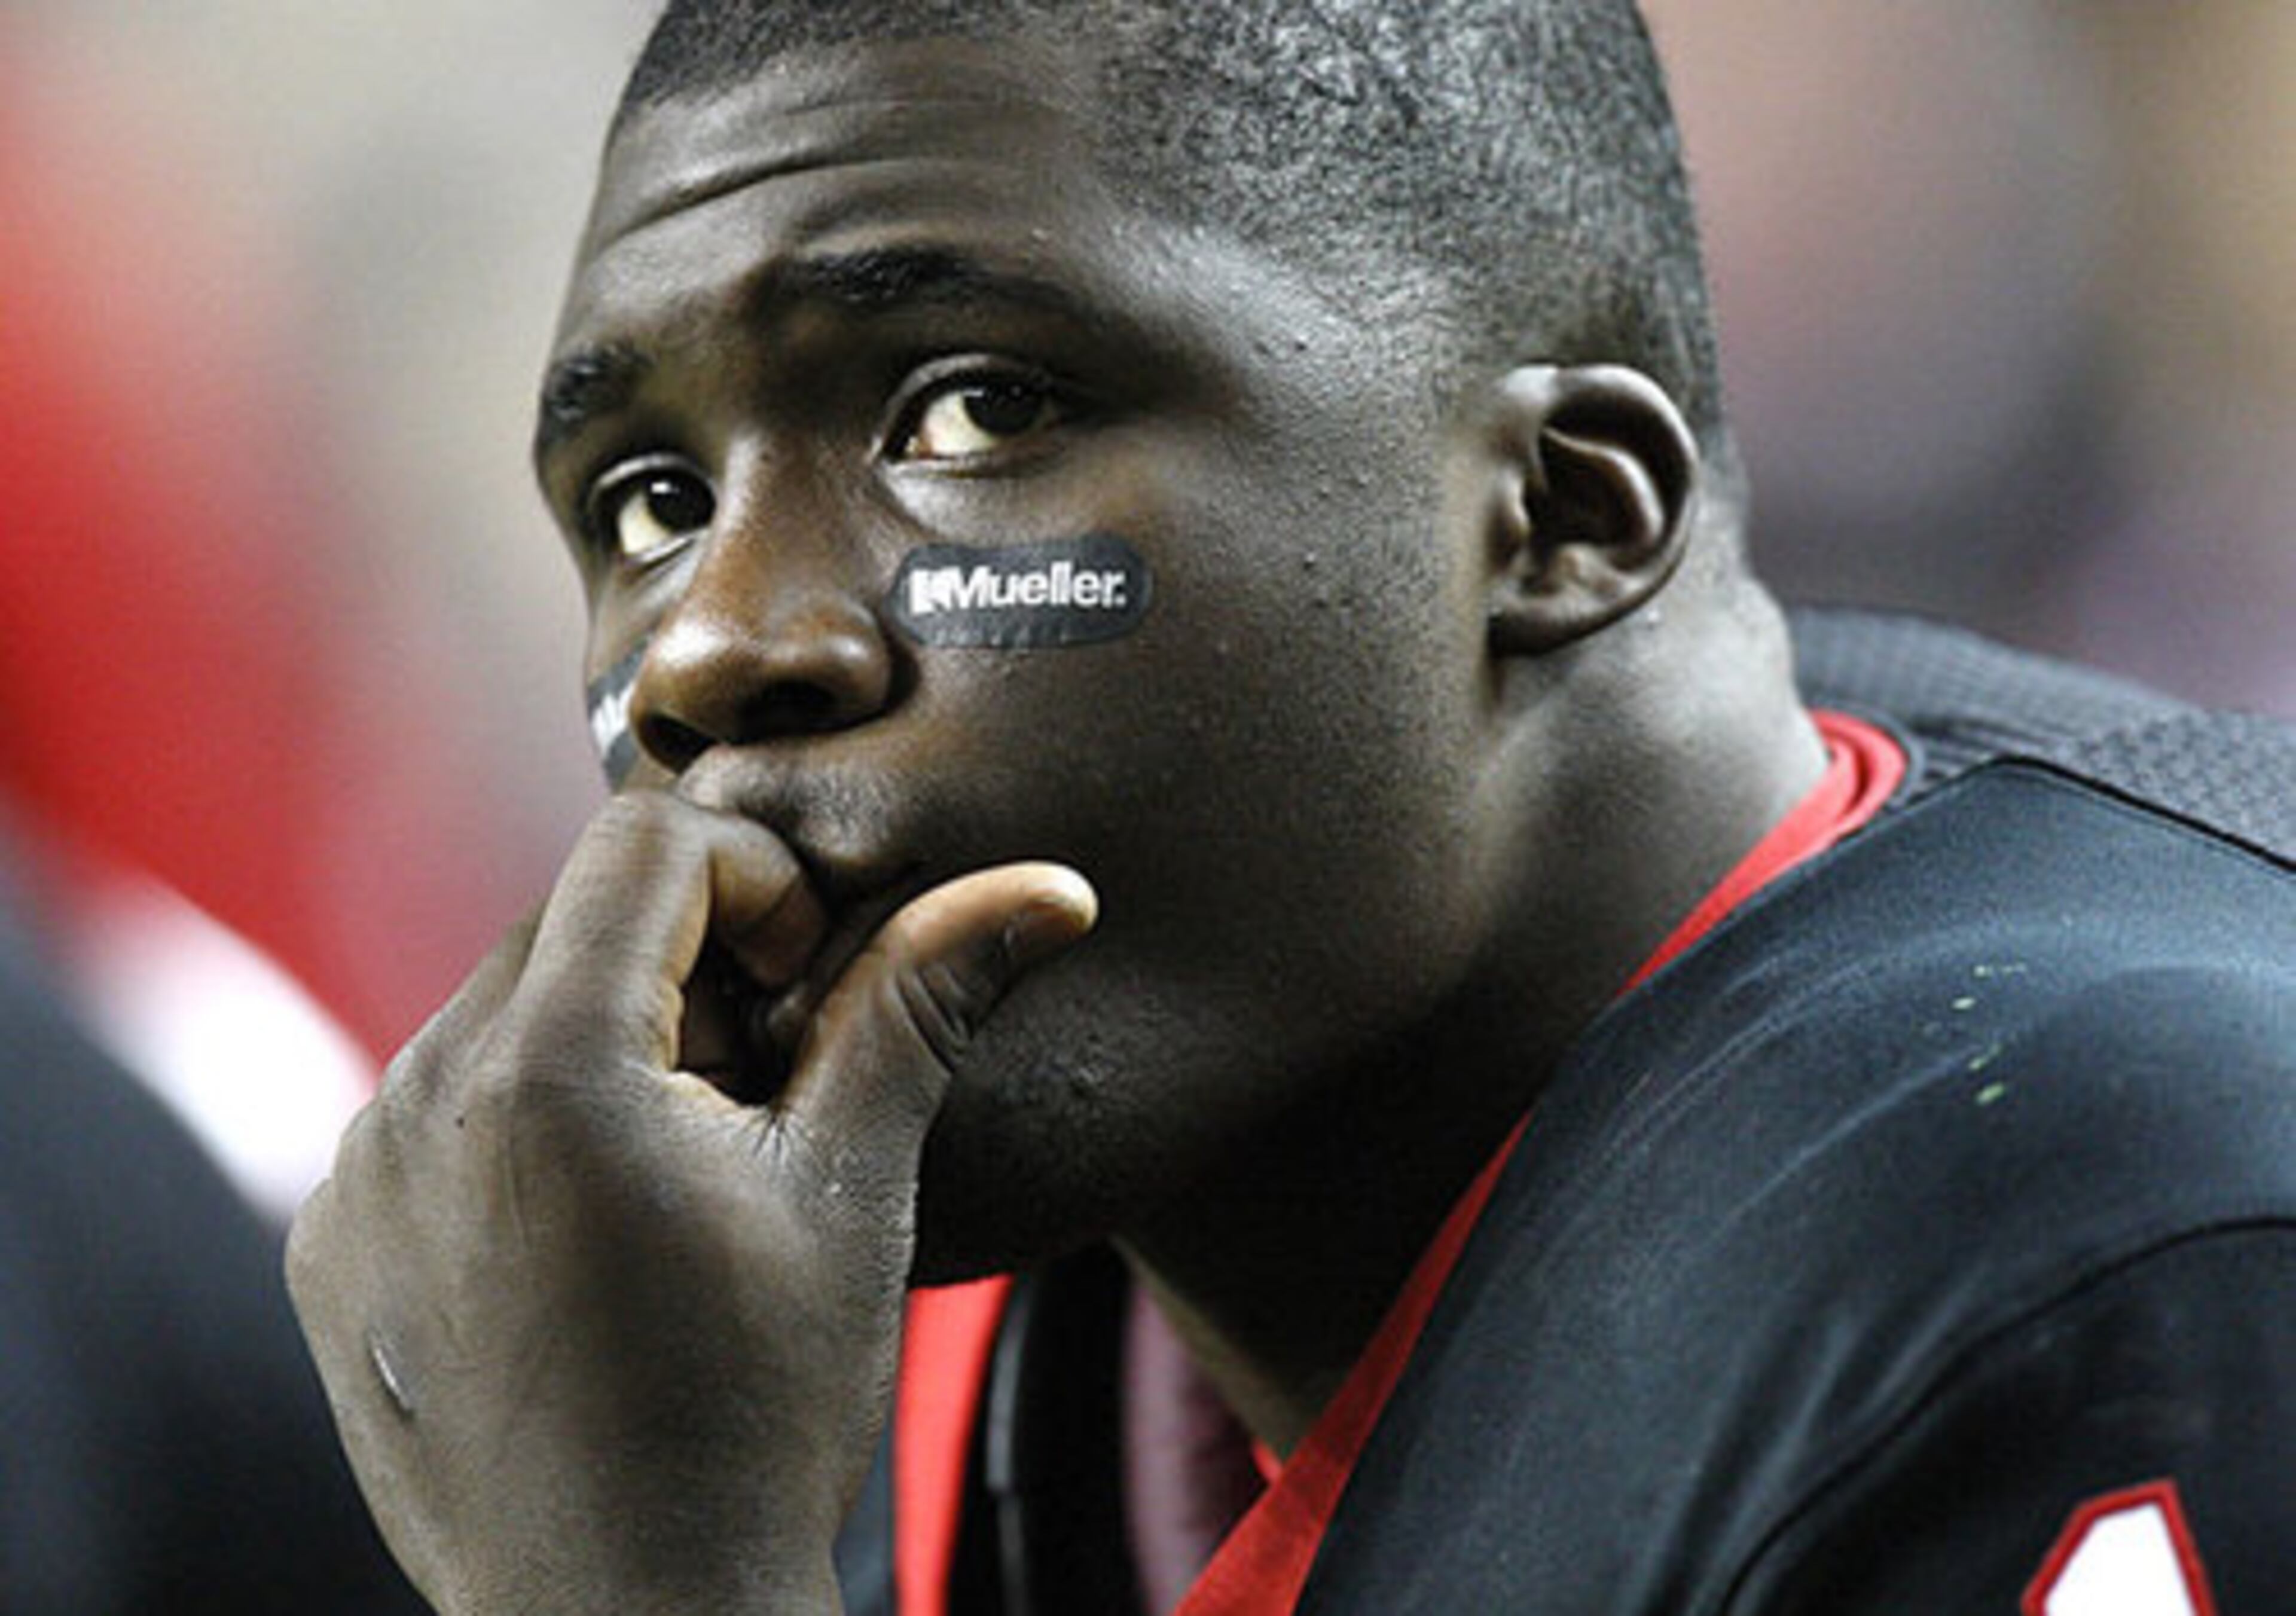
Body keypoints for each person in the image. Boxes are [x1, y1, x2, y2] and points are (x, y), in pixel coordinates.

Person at [284, 1, 2296, 1611]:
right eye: (650, 503)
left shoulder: (2110, 1264)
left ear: (1560, 519)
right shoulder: (982, 1255)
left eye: (970, 407)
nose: (717, 646)